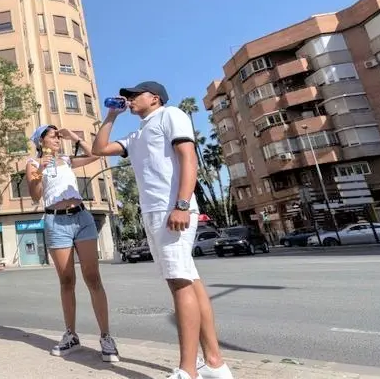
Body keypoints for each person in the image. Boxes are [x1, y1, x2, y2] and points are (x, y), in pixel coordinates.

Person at [91, 81, 233, 379]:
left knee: (179, 284)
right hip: (154, 212)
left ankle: (188, 370)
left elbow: (188, 159)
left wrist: (181, 204)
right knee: (188, 281)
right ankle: (215, 364)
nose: (128, 100)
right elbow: (99, 148)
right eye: (126, 97)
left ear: (154, 98)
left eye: (133, 95)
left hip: (173, 210)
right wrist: (111, 116)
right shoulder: (137, 132)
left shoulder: (171, 115)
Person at [25, 124, 120, 363]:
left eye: (58, 135)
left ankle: (106, 337)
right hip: (56, 223)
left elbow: (95, 155)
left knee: (93, 277)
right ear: (41, 141)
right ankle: (71, 335)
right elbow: (35, 194)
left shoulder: (67, 160)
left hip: (82, 218)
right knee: (67, 280)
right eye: (52, 136)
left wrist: (75, 136)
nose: (57, 139)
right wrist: (40, 171)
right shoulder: (34, 163)